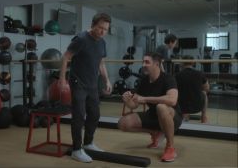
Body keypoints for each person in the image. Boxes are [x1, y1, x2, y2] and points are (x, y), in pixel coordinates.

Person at [59, 13, 112, 163]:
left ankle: (88, 143)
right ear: (93, 25)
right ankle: (76, 149)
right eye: (100, 28)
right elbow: (66, 57)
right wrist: (62, 80)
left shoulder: (102, 43)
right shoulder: (81, 39)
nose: (102, 32)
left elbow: (101, 63)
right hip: (78, 83)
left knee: (95, 115)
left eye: (106, 29)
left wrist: (106, 80)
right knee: (79, 116)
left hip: (92, 84)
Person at [118, 52, 182, 162]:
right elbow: (135, 104)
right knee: (123, 123)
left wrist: (146, 99)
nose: (143, 64)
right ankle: (155, 133)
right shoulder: (144, 80)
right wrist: (127, 101)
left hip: (172, 116)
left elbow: (172, 100)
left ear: (156, 64)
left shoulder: (168, 78)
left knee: (161, 107)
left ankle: (170, 147)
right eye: (143, 62)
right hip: (153, 115)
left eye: (147, 62)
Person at [175, 55, 210, 123]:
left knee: (176, 93)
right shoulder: (200, 74)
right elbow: (207, 88)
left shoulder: (177, 75)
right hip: (197, 106)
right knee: (204, 93)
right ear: (193, 63)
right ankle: (204, 116)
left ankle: (184, 115)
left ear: (182, 63)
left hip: (182, 106)